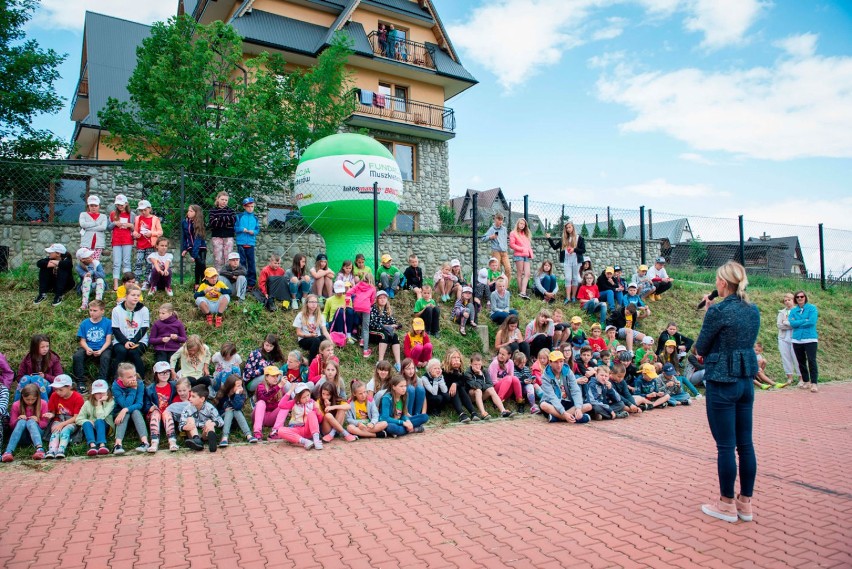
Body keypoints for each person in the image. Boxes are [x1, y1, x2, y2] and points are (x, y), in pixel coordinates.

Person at [695, 261, 760, 523]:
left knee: (725, 446)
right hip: (745, 380)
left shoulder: (718, 311)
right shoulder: (753, 309)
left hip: (723, 381)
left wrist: (710, 311)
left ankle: (726, 504)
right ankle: (745, 503)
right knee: (745, 444)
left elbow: (701, 347)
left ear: (722, 283)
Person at [72, 300, 112, 394]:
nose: (92, 313)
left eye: (95, 310)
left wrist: (101, 350)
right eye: (90, 310)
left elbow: (108, 340)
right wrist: (87, 348)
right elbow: (82, 341)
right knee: (77, 356)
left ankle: (102, 381)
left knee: (106, 357)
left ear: (102, 311)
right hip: (88, 346)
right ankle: (80, 382)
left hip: (103, 347)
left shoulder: (108, 322)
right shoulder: (85, 323)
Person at [110, 284, 150, 379]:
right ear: (126, 296)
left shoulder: (144, 310)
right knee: (122, 352)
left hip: (139, 341)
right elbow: (115, 329)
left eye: (138, 295)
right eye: (133, 295)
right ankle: (113, 380)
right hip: (120, 340)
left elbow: (144, 328)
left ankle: (141, 380)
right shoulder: (116, 310)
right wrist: (125, 342)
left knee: (133, 352)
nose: (136, 297)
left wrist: (133, 341)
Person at [539, 351, 590, 423]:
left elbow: (575, 390)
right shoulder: (545, 376)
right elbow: (552, 397)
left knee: (588, 406)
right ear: (550, 363)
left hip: (568, 401)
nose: (559, 365)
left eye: (561, 361)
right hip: (554, 404)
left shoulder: (568, 372)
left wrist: (578, 408)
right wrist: (563, 413)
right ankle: (567, 417)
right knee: (543, 405)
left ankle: (557, 418)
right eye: (556, 362)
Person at [1, 384, 47, 461]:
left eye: (33, 399)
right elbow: (11, 425)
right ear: (22, 396)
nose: (30, 402)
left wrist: (38, 420)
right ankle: (8, 452)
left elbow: (45, 424)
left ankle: (40, 449)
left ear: (37, 397)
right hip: (21, 436)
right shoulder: (16, 405)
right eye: (27, 399)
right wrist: (18, 420)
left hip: (37, 435)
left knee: (31, 422)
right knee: (21, 422)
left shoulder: (43, 403)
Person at [111, 363, 150, 454]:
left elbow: (139, 404)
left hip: (135, 413)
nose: (133, 379)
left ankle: (145, 442)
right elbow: (125, 404)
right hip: (119, 414)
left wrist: (125, 410)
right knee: (127, 412)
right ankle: (117, 444)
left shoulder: (139, 383)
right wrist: (133, 389)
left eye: (134, 375)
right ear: (121, 378)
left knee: (134, 411)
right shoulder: (116, 386)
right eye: (129, 377)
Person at [273, 383, 323, 450]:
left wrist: (317, 410)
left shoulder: (313, 403)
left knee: (311, 413)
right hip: (297, 431)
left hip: (309, 430)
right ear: (298, 398)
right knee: (280, 430)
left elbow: (320, 420)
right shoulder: (293, 403)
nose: (307, 398)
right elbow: (281, 405)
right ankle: (305, 441)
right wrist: (291, 390)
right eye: (303, 397)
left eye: (308, 395)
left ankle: (316, 441)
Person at [464, 352, 513, 420]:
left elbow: (490, 384)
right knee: (478, 390)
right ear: (471, 364)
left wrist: (481, 376)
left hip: (481, 395)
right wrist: (480, 376)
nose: (478, 367)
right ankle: (483, 413)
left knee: (491, 389)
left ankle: (503, 411)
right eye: (475, 364)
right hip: (471, 397)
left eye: (479, 364)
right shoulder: (467, 373)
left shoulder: (484, 371)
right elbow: (475, 386)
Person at [546, 221, 585, 303]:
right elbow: (554, 247)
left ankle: (573, 297)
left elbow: (583, 250)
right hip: (567, 261)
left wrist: (574, 250)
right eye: (567, 228)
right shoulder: (564, 238)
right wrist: (549, 238)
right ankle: (568, 298)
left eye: (569, 227)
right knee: (567, 278)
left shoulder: (579, 238)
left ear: (573, 227)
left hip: (576, 261)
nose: (568, 229)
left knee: (575, 278)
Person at [789, 290, 819, 393]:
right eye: (797, 297)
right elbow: (792, 323)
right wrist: (804, 320)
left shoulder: (812, 308)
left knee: (811, 360)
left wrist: (799, 323)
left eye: (802, 296)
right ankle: (806, 381)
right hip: (797, 339)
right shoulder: (793, 311)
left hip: (810, 338)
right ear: (795, 299)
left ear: (805, 297)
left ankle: (814, 383)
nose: (800, 298)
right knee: (800, 361)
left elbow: (811, 322)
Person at [213, 374, 256, 446]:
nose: (241, 387)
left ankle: (248, 435)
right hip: (223, 421)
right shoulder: (222, 394)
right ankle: (224, 437)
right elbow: (216, 411)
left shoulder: (240, 394)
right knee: (229, 411)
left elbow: (237, 407)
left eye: (241, 385)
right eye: (238, 386)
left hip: (236, 421)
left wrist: (237, 394)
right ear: (231, 386)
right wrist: (225, 411)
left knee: (236, 410)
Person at [145, 361, 178, 452]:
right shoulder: (150, 389)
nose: (165, 374)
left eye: (167, 372)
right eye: (162, 372)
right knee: (155, 413)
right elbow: (146, 404)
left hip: (169, 412)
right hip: (156, 412)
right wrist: (149, 408)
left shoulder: (174, 386)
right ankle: (154, 442)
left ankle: (172, 441)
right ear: (156, 374)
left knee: (167, 413)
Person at [180, 385, 224, 452]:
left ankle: (211, 443)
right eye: (190, 396)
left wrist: (213, 423)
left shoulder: (209, 407)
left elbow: (220, 421)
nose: (190, 399)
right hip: (193, 433)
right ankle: (197, 441)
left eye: (193, 396)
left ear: (202, 399)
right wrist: (184, 427)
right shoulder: (187, 408)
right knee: (190, 419)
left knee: (209, 422)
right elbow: (180, 424)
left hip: (204, 433)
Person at [76, 379, 114, 457]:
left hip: (105, 427)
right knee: (86, 423)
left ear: (107, 391)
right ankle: (92, 445)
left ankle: (102, 444)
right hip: (92, 428)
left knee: (99, 421)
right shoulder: (87, 403)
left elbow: (101, 417)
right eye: (97, 393)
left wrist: (99, 404)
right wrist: (89, 421)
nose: (100, 395)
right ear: (93, 394)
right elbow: (78, 419)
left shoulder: (111, 402)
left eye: (102, 392)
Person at [132, 199, 163, 289]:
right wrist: (135, 234)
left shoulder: (155, 219)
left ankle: (147, 281)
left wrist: (151, 234)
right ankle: (137, 280)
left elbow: (160, 232)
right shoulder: (138, 218)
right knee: (138, 262)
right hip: (140, 244)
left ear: (150, 209)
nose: (143, 212)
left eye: (145, 210)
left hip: (150, 244)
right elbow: (135, 231)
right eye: (141, 210)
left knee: (149, 263)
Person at [442, 349, 477, 423]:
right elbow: (448, 383)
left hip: (461, 392)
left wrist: (457, 372)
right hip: (447, 393)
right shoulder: (443, 369)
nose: (456, 360)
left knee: (459, 387)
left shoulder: (460, 369)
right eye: (454, 357)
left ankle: (473, 412)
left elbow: (463, 381)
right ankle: (461, 414)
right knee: (456, 388)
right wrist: (455, 373)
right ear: (449, 359)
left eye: (458, 358)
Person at [252, 366, 287, 440]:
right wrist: (279, 386)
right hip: (260, 417)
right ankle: (257, 433)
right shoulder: (261, 386)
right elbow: (264, 397)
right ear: (266, 377)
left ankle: (275, 432)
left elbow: (283, 403)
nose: (276, 378)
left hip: (272, 417)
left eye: (277, 376)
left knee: (285, 405)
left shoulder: (281, 388)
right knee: (261, 402)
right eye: (273, 376)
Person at [368, 290, 402, 369]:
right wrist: (387, 326)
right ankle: (380, 361)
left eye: (384, 298)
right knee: (383, 334)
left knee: (395, 336)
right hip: (373, 333)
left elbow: (392, 322)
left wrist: (395, 326)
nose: (383, 299)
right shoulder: (373, 308)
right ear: (377, 299)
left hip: (385, 332)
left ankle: (398, 363)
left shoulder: (388, 309)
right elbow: (373, 324)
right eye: (380, 298)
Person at [108, 194, 135, 291]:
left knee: (126, 262)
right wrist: (115, 223)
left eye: (122, 204)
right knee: (116, 262)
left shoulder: (131, 214)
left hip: (127, 240)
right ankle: (116, 284)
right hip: (116, 240)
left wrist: (130, 225)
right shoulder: (112, 214)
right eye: (118, 205)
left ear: (126, 204)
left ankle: (127, 283)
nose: (120, 206)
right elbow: (108, 227)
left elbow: (134, 229)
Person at [293, 295, 332, 361]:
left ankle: (325, 360)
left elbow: (325, 332)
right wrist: (310, 335)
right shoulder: (300, 315)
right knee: (316, 340)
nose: (314, 304)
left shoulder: (320, 316)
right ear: (307, 303)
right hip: (304, 339)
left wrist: (331, 342)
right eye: (311, 302)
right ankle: (311, 362)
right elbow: (298, 333)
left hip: (317, 338)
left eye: (315, 302)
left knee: (323, 339)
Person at [347, 272, 376, 357]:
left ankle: (362, 339)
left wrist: (348, 302)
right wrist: (369, 305)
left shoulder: (359, 284)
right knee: (366, 327)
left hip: (356, 307)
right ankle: (366, 351)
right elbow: (372, 300)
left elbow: (349, 292)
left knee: (362, 321)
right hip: (366, 307)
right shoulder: (372, 288)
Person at [235, 196, 260, 290]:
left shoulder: (255, 218)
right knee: (242, 263)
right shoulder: (239, 216)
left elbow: (257, 230)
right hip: (241, 243)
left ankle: (251, 283)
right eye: (248, 206)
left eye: (252, 206)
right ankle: (243, 282)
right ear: (244, 207)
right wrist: (242, 229)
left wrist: (253, 232)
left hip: (251, 243)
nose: (250, 208)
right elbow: (235, 228)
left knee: (251, 263)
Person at [776, 293, 800, 387]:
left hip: (795, 338)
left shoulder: (797, 311)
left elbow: (797, 324)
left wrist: (786, 323)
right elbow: (779, 325)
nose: (787, 302)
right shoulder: (782, 312)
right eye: (785, 300)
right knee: (786, 357)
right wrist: (789, 325)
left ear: (793, 300)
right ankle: (789, 377)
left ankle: (801, 378)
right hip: (783, 338)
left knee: (796, 358)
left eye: (789, 300)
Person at [208, 191, 236, 271]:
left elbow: (233, 221)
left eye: (226, 200)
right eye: (222, 199)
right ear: (218, 199)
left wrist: (219, 219)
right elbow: (212, 223)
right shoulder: (212, 210)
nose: (224, 201)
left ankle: (227, 276)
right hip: (217, 236)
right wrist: (226, 220)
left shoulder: (231, 211)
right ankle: (218, 278)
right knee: (218, 258)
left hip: (229, 236)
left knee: (228, 257)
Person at [181, 204, 208, 287]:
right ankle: (198, 284)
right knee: (199, 263)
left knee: (201, 264)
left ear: (196, 213)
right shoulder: (184, 222)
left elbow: (197, 239)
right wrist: (185, 248)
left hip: (201, 247)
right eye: (188, 210)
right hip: (191, 247)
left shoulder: (199, 223)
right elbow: (184, 237)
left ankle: (204, 284)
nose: (188, 212)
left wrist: (195, 254)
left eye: (191, 211)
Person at [482, 213, 512, 281]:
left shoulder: (504, 229)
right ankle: (497, 287)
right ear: (495, 219)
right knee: (497, 269)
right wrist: (491, 237)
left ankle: (505, 286)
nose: (500, 221)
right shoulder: (492, 229)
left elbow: (504, 239)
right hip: (496, 251)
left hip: (504, 252)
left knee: (508, 269)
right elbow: (483, 238)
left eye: (501, 220)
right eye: (498, 219)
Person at [509, 218, 534, 299]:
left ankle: (523, 292)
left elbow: (528, 245)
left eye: (523, 224)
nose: (522, 225)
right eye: (520, 223)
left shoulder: (525, 234)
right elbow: (512, 245)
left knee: (527, 274)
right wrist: (521, 249)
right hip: (519, 255)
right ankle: (521, 292)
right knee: (520, 273)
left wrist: (530, 253)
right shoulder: (513, 233)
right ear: (517, 224)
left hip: (526, 255)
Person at [79, 195, 108, 260]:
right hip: (86, 243)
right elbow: (83, 224)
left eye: (95, 206)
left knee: (95, 262)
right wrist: (96, 223)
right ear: (88, 206)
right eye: (91, 206)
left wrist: (88, 228)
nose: (93, 207)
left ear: (99, 206)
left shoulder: (103, 216)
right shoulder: (83, 214)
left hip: (98, 244)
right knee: (85, 261)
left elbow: (103, 227)